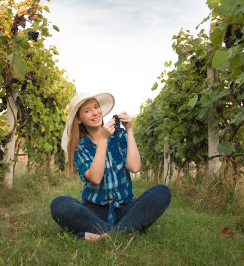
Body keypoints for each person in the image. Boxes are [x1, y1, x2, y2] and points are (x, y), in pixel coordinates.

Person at [50, 92, 171, 241]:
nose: (95, 113)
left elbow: (134, 167)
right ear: (79, 119)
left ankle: (104, 235)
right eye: (87, 111)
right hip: (94, 211)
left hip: (125, 208)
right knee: (59, 205)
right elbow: (95, 177)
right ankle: (126, 230)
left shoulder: (120, 136)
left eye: (96, 107)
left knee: (162, 191)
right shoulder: (80, 148)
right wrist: (103, 139)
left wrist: (129, 129)